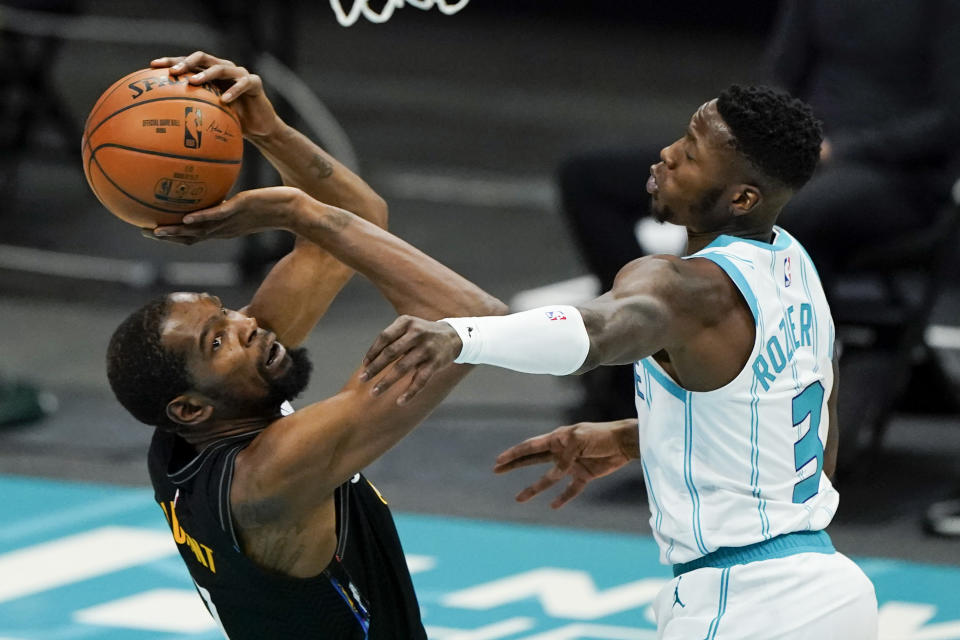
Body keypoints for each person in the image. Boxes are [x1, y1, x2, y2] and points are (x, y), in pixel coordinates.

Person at [360, 85, 879, 637]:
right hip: (834, 594)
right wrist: (646, 437)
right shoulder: (795, 267)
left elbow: (596, 331)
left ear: (742, 198)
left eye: (692, 153)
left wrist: (462, 336)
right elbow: (808, 421)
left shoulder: (681, 284)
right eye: (682, 135)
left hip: (743, 605)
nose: (668, 154)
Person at [106, 51, 506, 639]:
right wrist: (296, 211)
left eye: (228, 312)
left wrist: (268, 130)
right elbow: (472, 323)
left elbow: (358, 221)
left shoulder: (191, 426)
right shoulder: (272, 471)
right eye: (218, 339)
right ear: (191, 408)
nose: (246, 323)